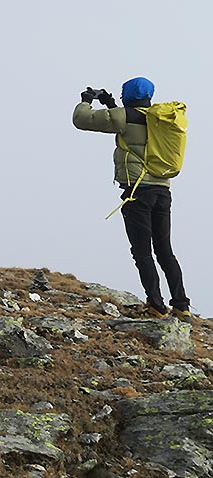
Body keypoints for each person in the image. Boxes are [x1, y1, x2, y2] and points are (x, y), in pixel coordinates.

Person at [72, 77, 191, 320]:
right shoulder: (159, 118)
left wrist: (86, 101)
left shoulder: (124, 116)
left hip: (138, 193)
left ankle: (156, 306)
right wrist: (110, 103)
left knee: (142, 252)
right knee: (165, 251)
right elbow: (126, 120)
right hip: (162, 191)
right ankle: (181, 306)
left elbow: (81, 120)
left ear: (127, 95)